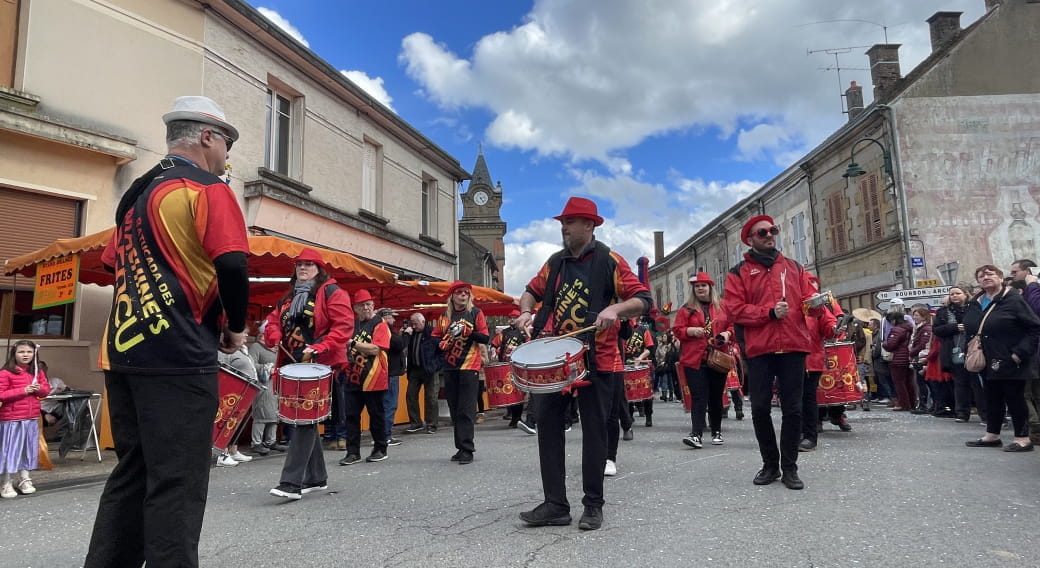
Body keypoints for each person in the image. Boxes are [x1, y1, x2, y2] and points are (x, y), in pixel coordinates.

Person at [85, 96, 250, 567]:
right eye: (226, 144)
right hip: (178, 355)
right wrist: (235, 328)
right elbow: (233, 265)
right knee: (177, 482)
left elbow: (113, 263)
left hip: (122, 355)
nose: (226, 157)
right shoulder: (208, 189)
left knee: (132, 473)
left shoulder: (135, 197)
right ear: (207, 137)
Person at [515, 196, 651, 531]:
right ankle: (555, 505)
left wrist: (615, 310)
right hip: (559, 358)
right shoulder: (555, 263)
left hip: (598, 359)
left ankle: (593, 505)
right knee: (547, 428)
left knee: (594, 432)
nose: (563, 227)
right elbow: (530, 291)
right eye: (563, 222)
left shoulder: (610, 261)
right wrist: (525, 310)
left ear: (589, 225)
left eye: (570, 221)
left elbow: (644, 300)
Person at [723, 214, 822, 490]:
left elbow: (806, 304)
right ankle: (770, 464)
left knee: (793, 409)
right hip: (759, 348)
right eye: (762, 232)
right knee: (760, 408)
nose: (769, 235)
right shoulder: (738, 273)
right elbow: (733, 309)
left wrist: (816, 305)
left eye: (773, 231)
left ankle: (790, 467)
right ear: (751, 239)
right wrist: (767, 313)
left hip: (793, 345)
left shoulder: (793, 267)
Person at [265, 248, 354, 499]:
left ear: (319, 269)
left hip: (320, 366)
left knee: (302, 419)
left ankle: (291, 482)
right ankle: (316, 477)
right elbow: (272, 321)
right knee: (304, 419)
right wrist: (272, 332)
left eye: (309, 265)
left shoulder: (333, 293)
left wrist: (321, 346)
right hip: (292, 365)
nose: (303, 268)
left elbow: (344, 326)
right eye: (299, 265)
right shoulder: (287, 298)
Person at [963, 265, 1040, 452]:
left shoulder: (1013, 299)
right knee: (992, 397)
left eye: (990, 274)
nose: (985, 277)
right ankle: (992, 435)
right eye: (981, 275)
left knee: (1015, 398)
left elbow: (1034, 328)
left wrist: (1018, 353)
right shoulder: (976, 301)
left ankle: (1023, 439)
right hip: (985, 358)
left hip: (1010, 358)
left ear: (1000, 278)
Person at [432, 281, 490, 465]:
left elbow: (485, 337)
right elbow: (434, 337)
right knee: (454, 408)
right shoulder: (444, 317)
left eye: (466, 293)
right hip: (450, 367)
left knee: (465, 408)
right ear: (452, 296)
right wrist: (440, 344)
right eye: (459, 293)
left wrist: (469, 331)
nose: (463, 295)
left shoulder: (475, 313)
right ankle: (460, 447)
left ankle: (467, 448)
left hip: (469, 366)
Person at [674, 272, 733, 449]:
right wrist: (690, 331)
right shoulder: (686, 309)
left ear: (710, 287)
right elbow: (677, 329)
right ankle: (696, 434)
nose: (700, 288)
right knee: (698, 397)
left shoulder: (722, 306)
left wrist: (727, 333)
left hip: (717, 358)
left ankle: (716, 431)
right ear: (694, 289)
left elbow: (733, 325)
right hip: (695, 359)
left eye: (703, 285)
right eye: (697, 286)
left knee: (716, 397)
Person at [338, 289, 391, 465]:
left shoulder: (380, 324)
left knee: (376, 415)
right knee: (351, 416)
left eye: (369, 304)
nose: (366, 308)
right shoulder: (352, 325)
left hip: (374, 377)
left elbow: (377, 348)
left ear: (373, 306)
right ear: (355, 308)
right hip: (352, 377)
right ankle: (352, 452)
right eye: (362, 305)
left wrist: (354, 343)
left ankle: (380, 448)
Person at [0, 341, 51, 499]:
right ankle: (6, 482)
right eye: (21, 352)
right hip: (11, 418)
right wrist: (23, 390)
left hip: (31, 417)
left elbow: (46, 391)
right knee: (10, 450)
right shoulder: (5, 372)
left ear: (34, 354)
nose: (25, 355)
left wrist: (39, 389)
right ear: (14, 353)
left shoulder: (37, 371)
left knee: (27, 450)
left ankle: (24, 478)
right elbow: (1, 395)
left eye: (29, 352)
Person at [799, 282, 839, 452]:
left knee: (808, 399)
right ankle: (797, 432)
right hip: (789, 358)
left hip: (811, 359)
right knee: (792, 399)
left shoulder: (819, 308)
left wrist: (835, 328)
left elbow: (829, 326)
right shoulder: (793, 304)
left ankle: (809, 435)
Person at [215, 345, 257, 467]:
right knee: (225, 421)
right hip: (231, 389)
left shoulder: (244, 350)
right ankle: (222, 454)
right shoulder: (226, 350)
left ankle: (233, 450)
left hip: (245, 390)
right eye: (244, 333)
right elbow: (223, 367)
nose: (246, 335)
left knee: (236, 421)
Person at [247, 324, 284, 455]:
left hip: (276, 384)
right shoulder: (256, 347)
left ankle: (271, 441)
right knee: (262, 413)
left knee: (274, 413)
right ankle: (256, 442)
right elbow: (251, 364)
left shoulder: (277, 347)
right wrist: (268, 368)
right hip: (263, 383)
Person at [490, 309, 530, 427]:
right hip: (505, 366)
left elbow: (529, 344)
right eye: (511, 318)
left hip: (519, 366)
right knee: (509, 392)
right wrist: (493, 352)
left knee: (519, 392)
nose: (512, 320)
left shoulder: (523, 332)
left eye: (514, 317)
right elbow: (494, 344)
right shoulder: (504, 333)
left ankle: (517, 417)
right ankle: (513, 417)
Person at [403, 312, 442, 434]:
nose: (413, 326)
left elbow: (442, 351)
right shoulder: (411, 334)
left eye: (415, 324)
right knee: (410, 395)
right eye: (412, 324)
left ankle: (431, 424)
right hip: (415, 368)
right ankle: (416, 422)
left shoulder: (432, 333)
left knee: (431, 397)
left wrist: (435, 366)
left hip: (429, 369)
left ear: (423, 322)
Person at [380, 308, 405, 447]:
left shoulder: (378, 329)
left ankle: (381, 435)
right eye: (391, 317)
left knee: (383, 404)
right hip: (390, 372)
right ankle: (386, 436)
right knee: (389, 404)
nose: (394, 320)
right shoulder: (386, 331)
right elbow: (398, 345)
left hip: (384, 372)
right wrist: (405, 336)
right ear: (385, 317)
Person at [624, 317, 655, 426]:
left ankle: (648, 415)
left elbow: (649, 348)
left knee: (646, 391)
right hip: (626, 365)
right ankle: (629, 415)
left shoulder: (643, 330)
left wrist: (640, 357)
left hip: (642, 364)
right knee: (628, 392)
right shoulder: (623, 330)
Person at [882, 309, 915, 411]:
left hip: (898, 358)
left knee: (899, 382)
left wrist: (884, 344)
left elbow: (891, 345)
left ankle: (903, 404)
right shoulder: (910, 327)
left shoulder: (897, 330)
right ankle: (912, 403)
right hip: (908, 357)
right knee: (909, 382)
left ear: (894, 320)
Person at [908, 306, 934, 414]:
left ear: (924, 317)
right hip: (918, 356)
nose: (914, 317)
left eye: (917, 315)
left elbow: (923, 344)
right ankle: (923, 404)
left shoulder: (926, 329)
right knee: (920, 382)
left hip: (922, 357)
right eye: (914, 315)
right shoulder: (919, 328)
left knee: (923, 382)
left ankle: (925, 405)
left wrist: (912, 352)